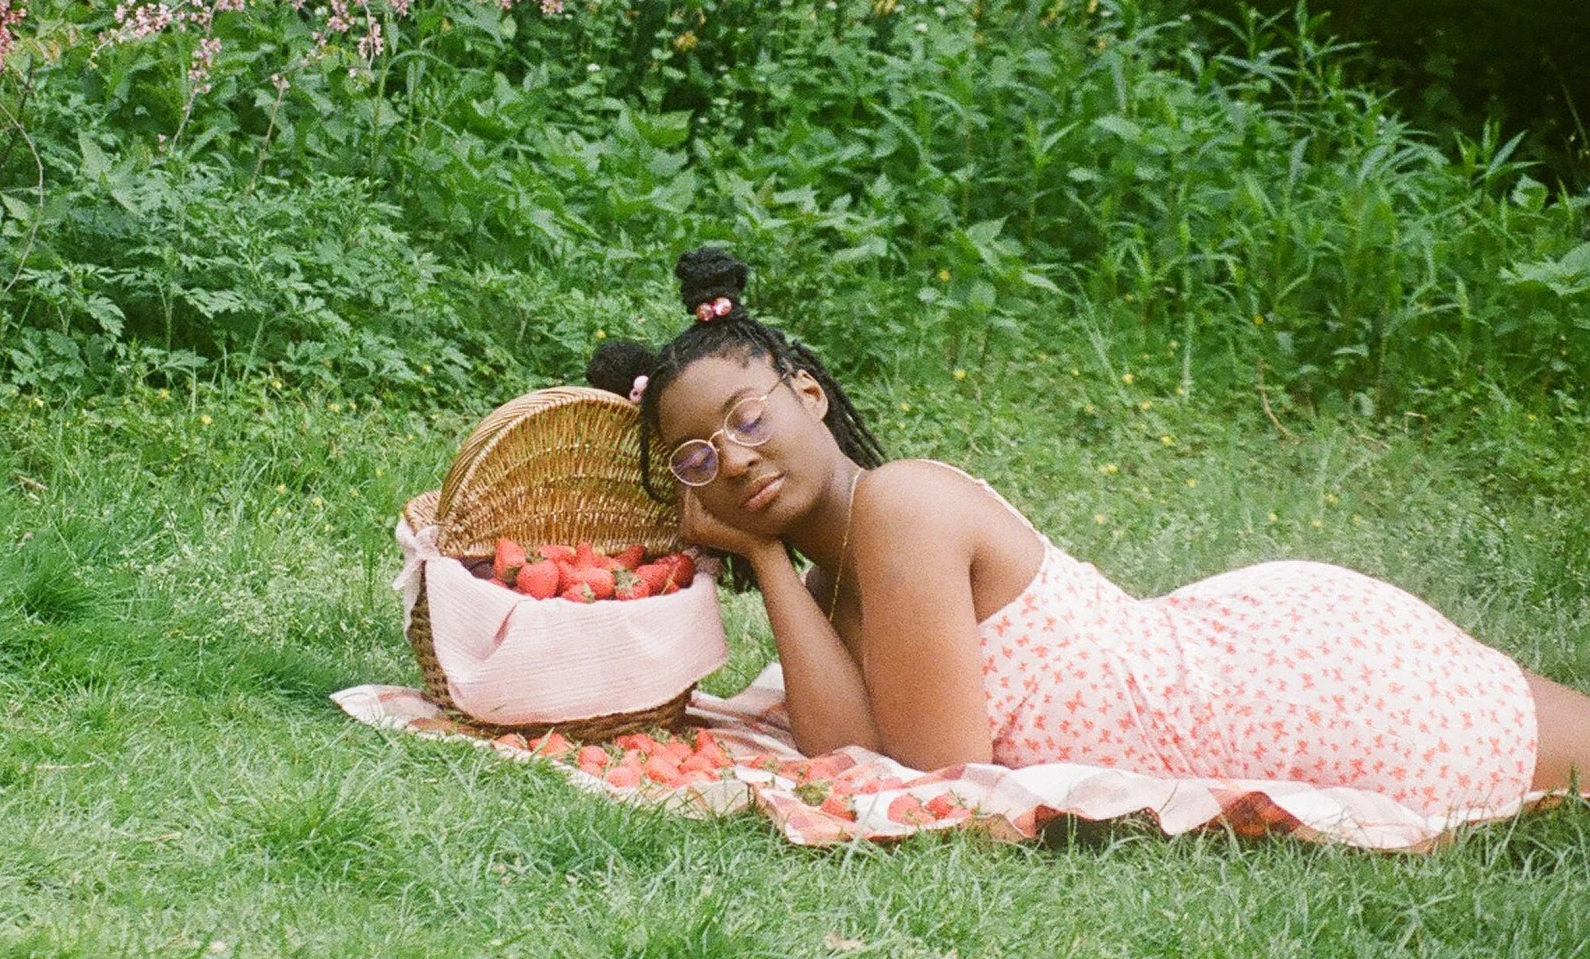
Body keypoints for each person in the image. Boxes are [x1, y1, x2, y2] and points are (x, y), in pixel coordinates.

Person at [584, 245, 1590, 818]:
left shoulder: (902, 505)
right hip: (1221, 670)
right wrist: (759, 553)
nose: (736, 455)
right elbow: (845, 752)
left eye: (748, 417)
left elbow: (939, 782)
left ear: (806, 391)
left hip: (1266, 695)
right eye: (699, 457)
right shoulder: (833, 583)